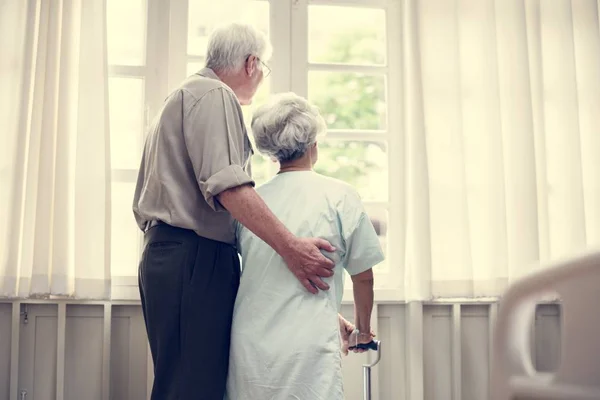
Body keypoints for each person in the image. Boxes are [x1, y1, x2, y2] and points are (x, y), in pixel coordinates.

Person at [132, 24, 337, 399]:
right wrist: (293, 249)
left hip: (174, 255)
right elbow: (228, 186)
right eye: (264, 70)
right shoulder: (213, 94)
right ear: (251, 63)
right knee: (192, 387)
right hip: (191, 256)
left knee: (186, 382)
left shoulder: (181, 95)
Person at [226, 92, 384, 400]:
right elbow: (363, 276)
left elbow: (266, 276)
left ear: (271, 153)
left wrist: (333, 317)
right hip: (307, 348)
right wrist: (361, 332)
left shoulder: (250, 205)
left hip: (250, 343)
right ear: (314, 142)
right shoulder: (340, 195)